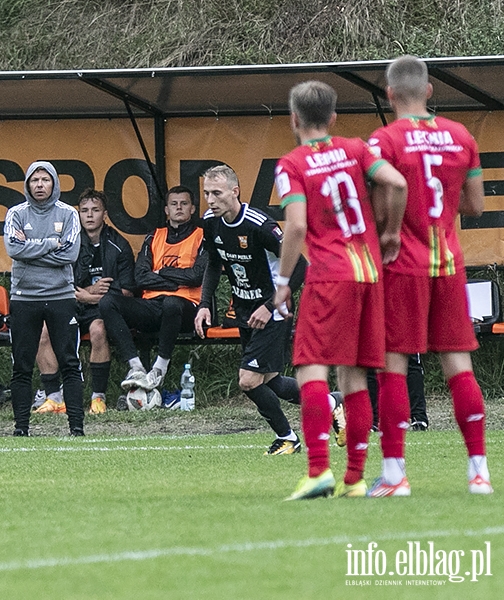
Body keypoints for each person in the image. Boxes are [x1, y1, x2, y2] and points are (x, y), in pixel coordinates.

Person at [273, 80, 407, 499]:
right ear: (332, 118)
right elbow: (397, 183)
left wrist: (281, 281)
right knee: (355, 377)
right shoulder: (355, 149)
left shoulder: (292, 163)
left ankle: (317, 471)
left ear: (294, 119)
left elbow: (295, 225)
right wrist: (390, 232)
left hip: (329, 275)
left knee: (311, 368)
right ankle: (355, 479)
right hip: (369, 275)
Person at [366, 55, 492, 496]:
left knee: (393, 366)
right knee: (459, 365)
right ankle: (479, 471)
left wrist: (393, 230)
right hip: (449, 263)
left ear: (389, 94)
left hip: (403, 264)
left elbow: (381, 209)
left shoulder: (384, 140)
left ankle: (396, 476)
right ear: (430, 92)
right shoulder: (461, 136)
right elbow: (475, 207)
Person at [193, 164, 344, 456]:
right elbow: (214, 263)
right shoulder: (210, 222)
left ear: (235, 192)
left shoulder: (259, 225)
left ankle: (287, 438)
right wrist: (203, 305)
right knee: (271, 381)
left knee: (248, 380)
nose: (210, 200)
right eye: (207, 193)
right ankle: (330, 403)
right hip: (246, 309)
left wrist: (267, 305)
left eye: (217, 193)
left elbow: (301, 266)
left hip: (274, 310)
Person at [33, 189, 136, 415]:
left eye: (95, 210)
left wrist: (91, 297)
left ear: (105, 214)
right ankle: (54, 397)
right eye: (84, 211)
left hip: (102, 309)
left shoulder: (119, 245)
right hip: (71, 304)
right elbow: (56, 282)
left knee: (98, 330)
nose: (89, 216)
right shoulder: (68, 243)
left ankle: (98, 397)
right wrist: (85, 292)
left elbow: (127, 291)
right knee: (42, 332)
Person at [99, 185, 207, 395]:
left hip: (186, 309)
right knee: (107, 302)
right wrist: (174, 281)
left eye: (184, 204)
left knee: (171, 303)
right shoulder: (154, 236)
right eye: (173, 204)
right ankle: (136, 367)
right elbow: (140, 276)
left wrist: (160, 273)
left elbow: (196, 276)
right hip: (152, 305)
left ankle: (159, 368)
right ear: (166, 209)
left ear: (192, 209)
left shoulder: (201, 236)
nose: (178, 208)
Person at [3, 161, 84, 436]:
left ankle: (76, 428)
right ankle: (21, 428)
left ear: (54, 183)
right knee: (22, 365)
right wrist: (51, 242)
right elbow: (14, 248)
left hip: (61, 295)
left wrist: (31, 248)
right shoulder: (15, 214)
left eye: (45, 180)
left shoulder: (69, 214)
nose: (39, 185)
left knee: (70, 362)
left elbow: (70, 255)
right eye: (34, 180)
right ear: (27, 184)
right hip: (25, 297)